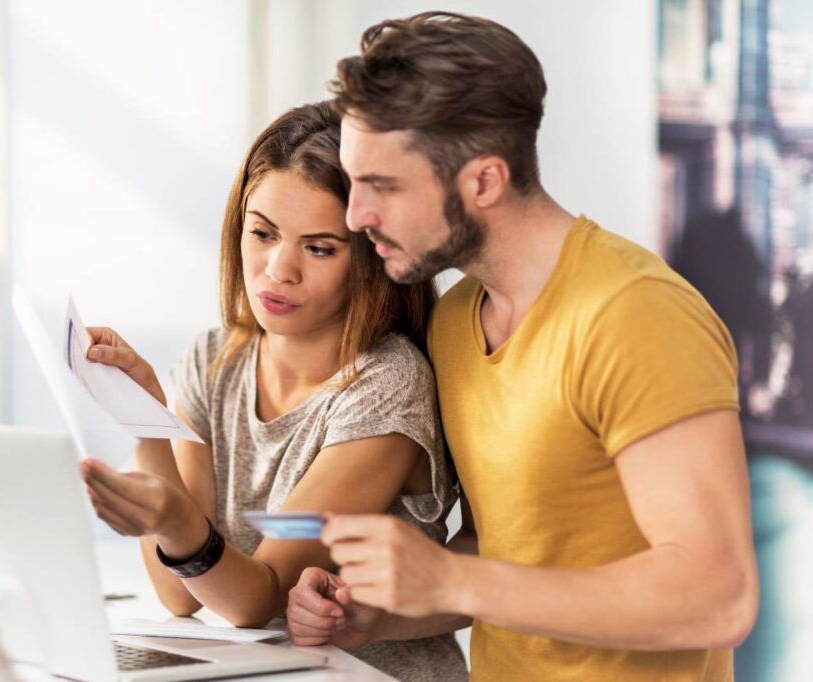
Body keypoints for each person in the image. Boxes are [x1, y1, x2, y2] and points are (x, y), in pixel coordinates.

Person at [286, 12, 759, 681]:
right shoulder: (456, 320)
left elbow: (718, 596)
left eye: (382, 186)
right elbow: (503, 559)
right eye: (354, 181)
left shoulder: (637, 315)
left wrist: (449, 578)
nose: (356, 214)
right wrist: (380, 614)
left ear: (484, 181)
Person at [79, 101, 468, 681]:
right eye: (262, 233)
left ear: (372, 256)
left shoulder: (387, 386)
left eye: (319, 248)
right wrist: (146, 421)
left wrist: (176, 520)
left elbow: (256, 601)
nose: (279, 270)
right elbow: (179, 594)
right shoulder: (214, 360)